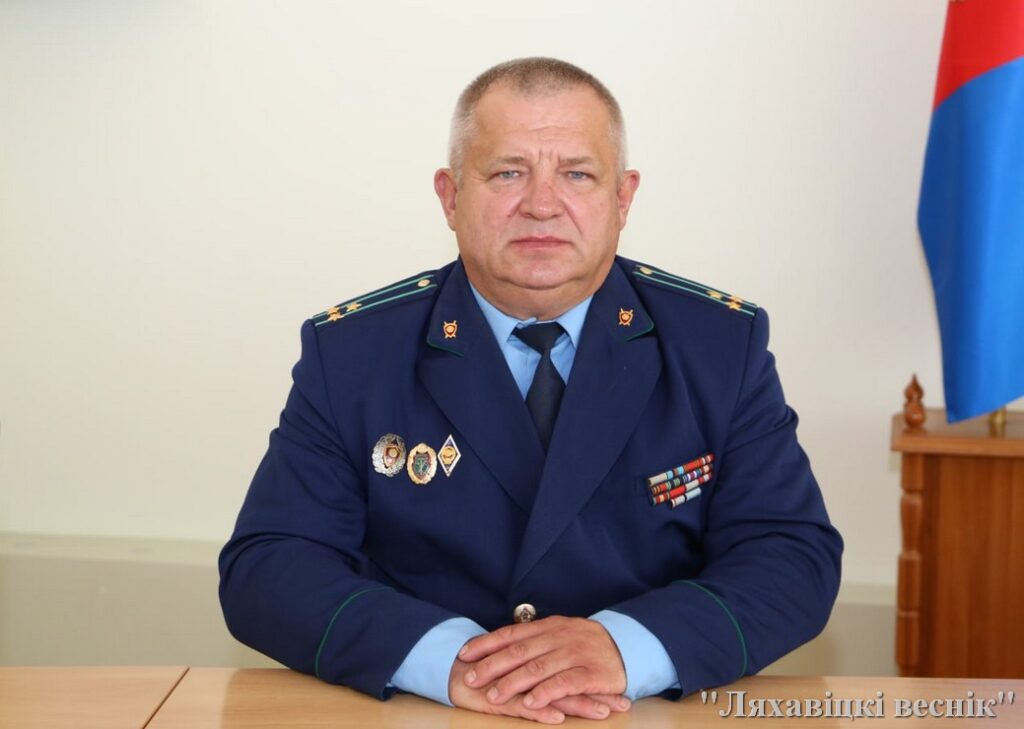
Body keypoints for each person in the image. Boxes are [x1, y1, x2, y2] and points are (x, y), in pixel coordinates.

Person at [219, 57, 843, 724]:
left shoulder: (718, 346)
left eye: (577, 174)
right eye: (507, 173)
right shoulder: (354, 353)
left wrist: (626, 647)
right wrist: (450, 659)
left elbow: (791, 557)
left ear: (623, 198)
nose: (542, 205)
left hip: (637, 713)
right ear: (450, 196)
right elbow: (269, 565)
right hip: (433, 713)